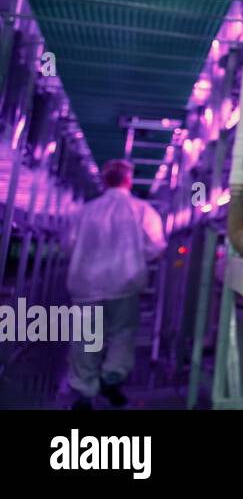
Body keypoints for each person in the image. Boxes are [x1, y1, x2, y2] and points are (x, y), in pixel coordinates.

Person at [64, 159, 167, 410]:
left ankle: (84, 392)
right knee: (122, 334)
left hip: (86, 284)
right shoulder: (142, 210)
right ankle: (111, 378)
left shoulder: (85, 211)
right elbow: (156, 246)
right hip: (124, 283)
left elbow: (67, 245)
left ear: (104, 180)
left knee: (87, 338)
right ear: (129, 180)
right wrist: (136, 255)